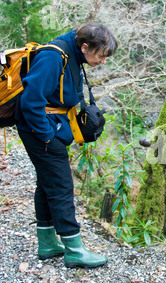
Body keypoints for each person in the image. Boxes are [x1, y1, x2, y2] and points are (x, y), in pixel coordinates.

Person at [16, 23, 118, 268]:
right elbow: (30, 101)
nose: (103, 61)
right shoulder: (53, 57)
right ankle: (74, 250)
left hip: (49, 129)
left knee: (47, 184)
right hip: (39, 132)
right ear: (85, 47)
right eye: (101, 56)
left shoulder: (71, 53)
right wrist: (48, 137)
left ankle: (48, 243)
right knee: (62, 187)